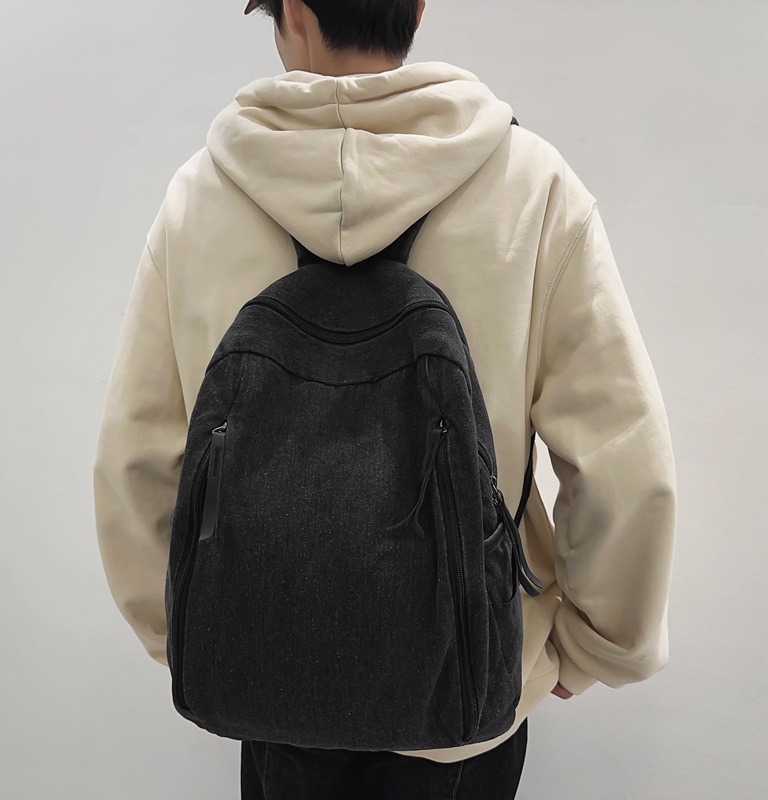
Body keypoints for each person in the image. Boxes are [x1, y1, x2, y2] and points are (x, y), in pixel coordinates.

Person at [92, 0, 678, 797]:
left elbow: (135, 464)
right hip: (468, 694)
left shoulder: (200, 197)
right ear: (419, 4)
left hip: (269, 684)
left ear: (293, 10)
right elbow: (624, 464)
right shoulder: (531, 187)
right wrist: (595, 646)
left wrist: (189, 635)